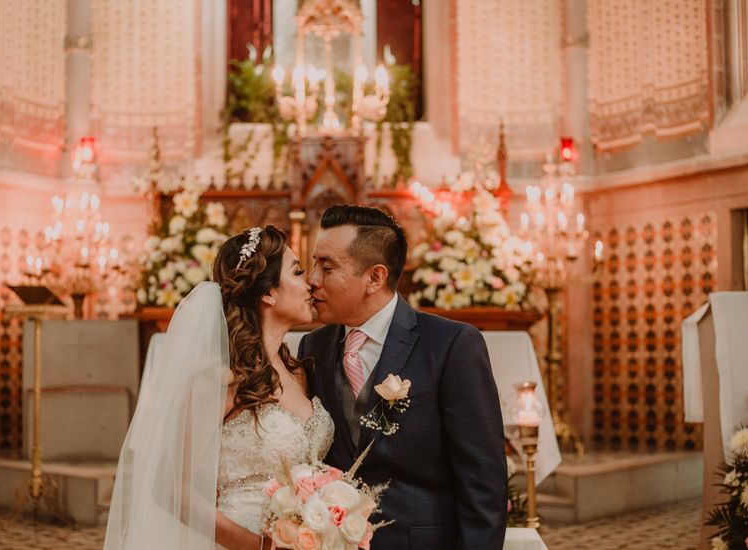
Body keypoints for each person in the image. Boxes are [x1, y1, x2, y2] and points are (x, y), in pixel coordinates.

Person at [104, 225, 334, 550]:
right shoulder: (221, 378)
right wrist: (261, 546)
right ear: (268, 293)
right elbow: (170, 488)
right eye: (297, 272)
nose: (310, 282)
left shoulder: (299, 371)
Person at [299, 204, 508, 550]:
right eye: (313, 264)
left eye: (327, 266)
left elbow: (483, 480)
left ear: (375, 278)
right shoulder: (313, 346)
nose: (312, 279)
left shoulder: (450, 345)